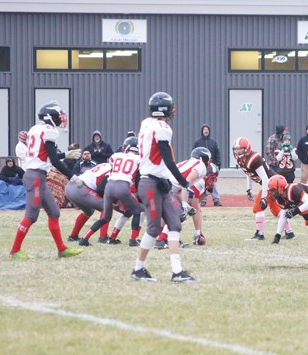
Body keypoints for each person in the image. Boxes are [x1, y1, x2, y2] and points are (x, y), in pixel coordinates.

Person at [131, 91, 196, 283]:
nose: (173, 109)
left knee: (174, 223)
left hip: (158, 181)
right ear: (164, 109)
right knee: (153, 229)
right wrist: (183, 182)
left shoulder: (146, 123)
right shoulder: (163, 128)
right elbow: (167, 159)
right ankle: (138, 269)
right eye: (170, 106)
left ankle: (177, 272)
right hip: (151, 182)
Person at [9, 101, 83, 260]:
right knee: (31, 215)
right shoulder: (50, 131)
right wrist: (73, 177)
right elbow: (54, 161)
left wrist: (65, 155)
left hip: (38, 176)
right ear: (50, 117)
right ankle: (15, 251)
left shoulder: (35, 128)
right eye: (58, 116)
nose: (60, 119)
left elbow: (44, 155)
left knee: (54, 212)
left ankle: (62, 249)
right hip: (35, 176)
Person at [78, 141, 143, 246]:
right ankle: (133, 240)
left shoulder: (116, 156)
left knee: (105, 217)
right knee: (137, 211)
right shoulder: (138, 160)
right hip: (123, 186)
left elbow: (112, 171)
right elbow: (138, 181)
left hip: (109, 186)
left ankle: (84, 238)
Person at [233, 136, 294, 241]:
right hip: (271, 184)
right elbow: (248, 172)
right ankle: (289, 232)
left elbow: (265, 178)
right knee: (276, 210)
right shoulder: (241, 159)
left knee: (258, 207)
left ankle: (259, 234)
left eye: (240, 149)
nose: (238, 151)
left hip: (273, 183)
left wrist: (264, 197)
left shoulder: (253, 158)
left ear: (247, 148)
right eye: (236, 149)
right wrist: (249, 188)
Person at [65, 162, 112, 243]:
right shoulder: (112, 170)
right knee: (106, 206)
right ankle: (103, 237)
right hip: (81, 187)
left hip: (70, 187)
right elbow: (101, 189)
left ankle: (73, 236)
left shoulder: (105, 165)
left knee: (88, 211)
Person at [192, 123, 222, 206]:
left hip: (211, 165)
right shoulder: (197, 142)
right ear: (202, 131)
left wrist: (218, 164)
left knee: (213, 181)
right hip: (201, 166)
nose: (206, 131)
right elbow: (194, 153)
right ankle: (203, 200)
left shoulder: (213, 142)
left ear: (209, 131)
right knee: (202, 182)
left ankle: (216, 200)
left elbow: (217, 153)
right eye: (204, 130)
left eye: (207, 130)